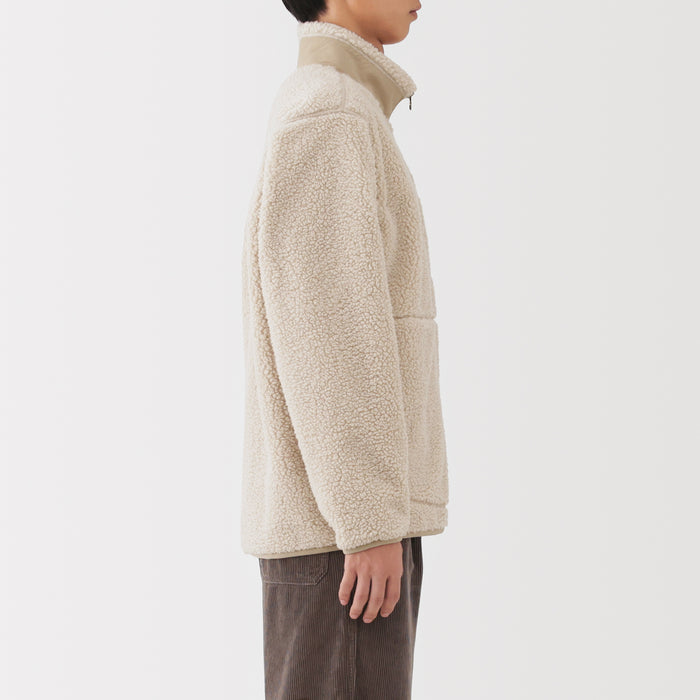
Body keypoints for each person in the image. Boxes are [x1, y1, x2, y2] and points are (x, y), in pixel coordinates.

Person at [240, 1, 449, 697]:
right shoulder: (330, 112)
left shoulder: (341, 108)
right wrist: (367, 522)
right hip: (343, 534)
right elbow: (328, 332)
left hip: (345, 529)